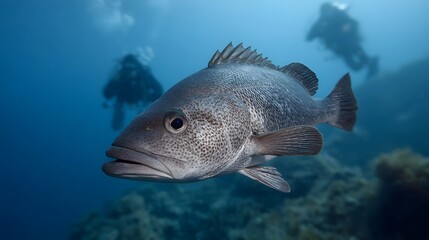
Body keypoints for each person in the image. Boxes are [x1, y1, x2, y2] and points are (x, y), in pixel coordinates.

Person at [307, 2, 378, 78]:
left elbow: (355, 22)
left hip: (351, 42)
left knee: (364, 59)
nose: (329, 14)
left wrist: (349, 26)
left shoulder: (339, 14)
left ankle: (373, 67)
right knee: (355, 67)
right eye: (326, 12)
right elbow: (309, 37)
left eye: (329, 11)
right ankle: (370, 65)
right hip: (341, 49)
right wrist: (318, 30)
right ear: (323, 13)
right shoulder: (320, 23)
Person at [103, 54, 163, 130]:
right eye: (126, 68)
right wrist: (113, 82)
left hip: (141, 102)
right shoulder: (119, 76)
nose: (129, 72)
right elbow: (107, 94)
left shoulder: (144, 75)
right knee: (116, 126)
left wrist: (148, 99)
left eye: (132, 68)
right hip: (122, 102)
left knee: (143, 127)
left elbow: (159, 90)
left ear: (136, 67)